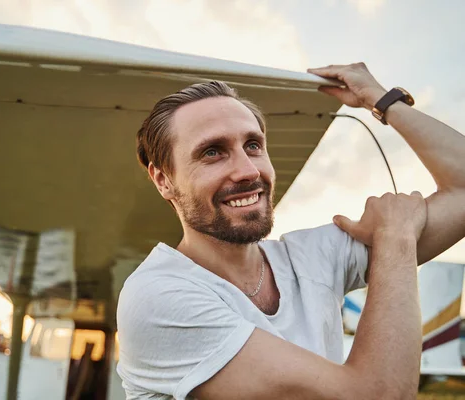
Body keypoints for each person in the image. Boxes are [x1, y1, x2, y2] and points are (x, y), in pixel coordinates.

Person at [116, 63, 465, 399]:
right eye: (212, 152)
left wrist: (382, 99)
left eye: (253, 145)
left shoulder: (309, 258)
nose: (248, 170)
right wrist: (396, 238)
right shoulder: (158, 296)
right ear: (163, 180)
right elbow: (376, 394)